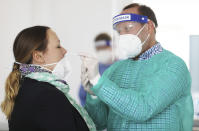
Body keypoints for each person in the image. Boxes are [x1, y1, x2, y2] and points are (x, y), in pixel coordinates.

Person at [80, 3, 194, 131]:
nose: (122, 36)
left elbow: (143, 109)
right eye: (119, 31)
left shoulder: (173, 65)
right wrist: (93, 95)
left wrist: (98, 82)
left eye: (128, 28)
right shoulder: (114, 70)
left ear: (149, 27)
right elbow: (98, 123)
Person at [1, 26, 96, 131]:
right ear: (38, 57)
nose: (65, 51)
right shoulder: (47, 95)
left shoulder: (25, 87)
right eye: (58, 46)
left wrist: (93, 95)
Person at [79, 33, 113, 106]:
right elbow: (82, 95)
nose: (101, 51)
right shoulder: (94, 67)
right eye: (99, 49)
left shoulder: (121, 66)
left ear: (111, 46)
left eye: (104, 48)